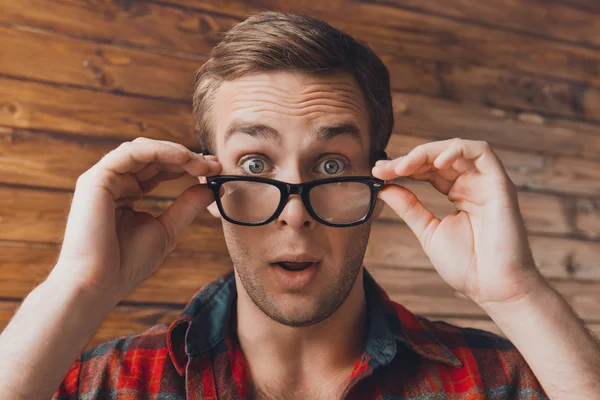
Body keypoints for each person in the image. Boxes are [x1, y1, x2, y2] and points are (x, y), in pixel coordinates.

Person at [1, 11, 599, 400]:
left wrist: (517, 293)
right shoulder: (110, 386)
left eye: (333, 165)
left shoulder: (496, 382)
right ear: (210, 187)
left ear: (379, 181)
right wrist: (79, 286)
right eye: (256, 165)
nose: (294, 213)